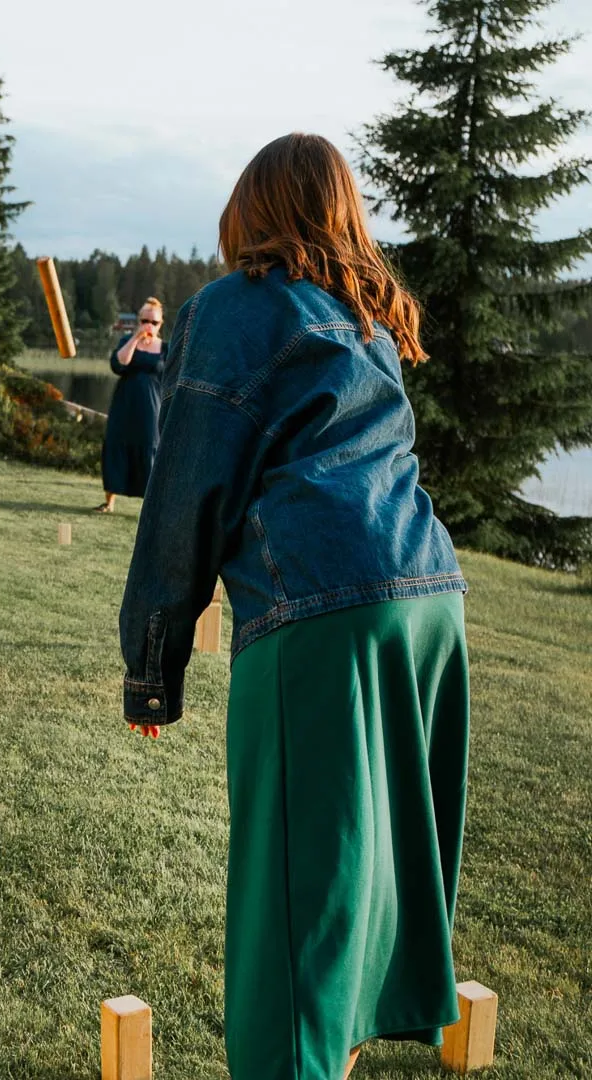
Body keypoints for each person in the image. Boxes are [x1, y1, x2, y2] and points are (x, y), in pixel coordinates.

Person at [118, 133, 470, 1080]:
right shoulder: (365, 315)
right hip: (429, 603)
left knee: (295, 912)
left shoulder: (238, 306)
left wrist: (152, 664)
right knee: (362, 894)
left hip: (325, 612)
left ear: (253, 209)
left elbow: (187, 489)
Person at [95, 297, 167, 512]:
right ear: (139, 321)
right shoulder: (127, 341)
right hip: (124, 404)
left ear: (160, 324)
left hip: (152, 406)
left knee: (150, 449)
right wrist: (136, 338)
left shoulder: (166, 348)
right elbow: (119, 363)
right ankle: (109, 502)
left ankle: (150, 508)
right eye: (145, 321)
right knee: (117, 445)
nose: (149, 325)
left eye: (154, 322)